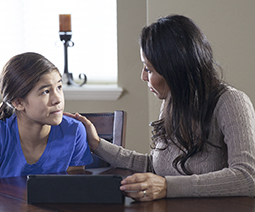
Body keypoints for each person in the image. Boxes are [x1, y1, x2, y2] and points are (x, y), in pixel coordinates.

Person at [65, 14, 255, 201]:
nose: (143, 77)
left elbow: (247, 177)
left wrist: (167, 186)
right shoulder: (171, 103)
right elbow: (156, 166)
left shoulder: (231, 102)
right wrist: (97, 144)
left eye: (148, 69)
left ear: (174, 69)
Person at [0, 52, 92, 181]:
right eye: (46, 91)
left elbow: (73, 190)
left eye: (59, 87)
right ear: (18, 103)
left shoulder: (75, 131)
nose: (57, 99)